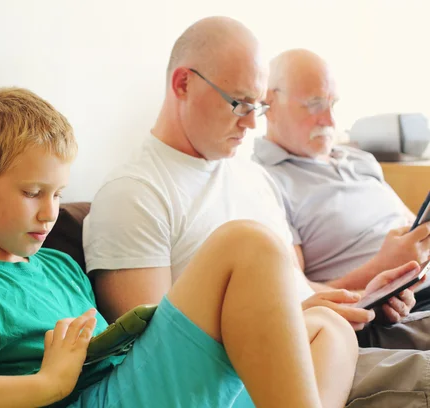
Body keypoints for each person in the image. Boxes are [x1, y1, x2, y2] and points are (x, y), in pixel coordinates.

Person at [0, 87, 357, 408]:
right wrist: (45, 385)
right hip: (91, 400)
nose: (49, 213)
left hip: (125, 379)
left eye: (58, 194)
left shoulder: (59, 265)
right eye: (32, 193)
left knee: (328, 330)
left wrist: (270, 315)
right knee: (247, 242)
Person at [83, 17, 430, 407]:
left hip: (319, 340)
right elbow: (158, 356)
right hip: (251, 377)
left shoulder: (252, 176)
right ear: (183, 83)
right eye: (239, 103)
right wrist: (291, 320)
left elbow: (301, 289)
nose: (251, 123)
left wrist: (367, 293)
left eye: (259, 106)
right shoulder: (134, 194)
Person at [252, 48, 430, 304]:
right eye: (314, 104)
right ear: (268, 103)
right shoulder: (265, 182)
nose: (330, 120)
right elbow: (298, 295)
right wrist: (381, 268)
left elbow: (413, 226)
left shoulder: (359, 159)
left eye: (332, 104)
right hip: (396, 306)